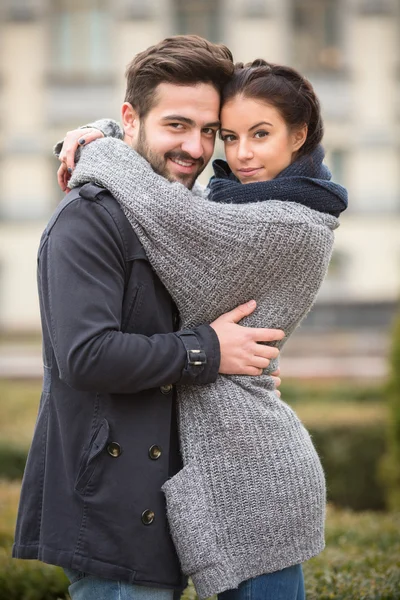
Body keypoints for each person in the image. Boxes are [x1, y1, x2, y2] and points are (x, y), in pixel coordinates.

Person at [56, 58, 347, 600]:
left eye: (261, 135)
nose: (239, 153)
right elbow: (163, 173)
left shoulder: (290, 225)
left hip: (257, 477)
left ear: (299, 135)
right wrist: (113, 130)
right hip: (221, 468)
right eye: (228, 135)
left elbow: (160, 206)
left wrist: (98, 144)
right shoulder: (238, 200)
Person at [12, 36, 286, 600]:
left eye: (210, 131)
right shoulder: (87, 219)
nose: (195, 147)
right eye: (176, 125)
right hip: (110, 515)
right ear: (130, 118)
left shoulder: (181, 214)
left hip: (178, 504)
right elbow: (87, 355)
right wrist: (208, 351)